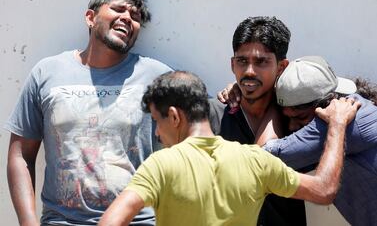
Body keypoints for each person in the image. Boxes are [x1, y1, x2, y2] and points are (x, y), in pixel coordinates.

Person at [98, 70, 359, 226]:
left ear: (175, 117)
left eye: (157, 121)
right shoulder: (256, 160)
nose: (156, 132)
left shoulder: (161, 164)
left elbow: (111, 221)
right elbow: (324, 190)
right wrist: (336, 126)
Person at [5, 0, 171, 225]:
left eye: (135, 17)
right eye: (118, 9)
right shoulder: (47, 73)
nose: (127, 18)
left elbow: (199, 123)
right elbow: (21, 155)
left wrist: (233, 94)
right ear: (90, 18)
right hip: (62, 221)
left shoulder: (156, 76)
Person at [219, 55, 377, 226]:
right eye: (287, 118)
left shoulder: (343, 119)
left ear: (326, 103)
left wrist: (263, 100)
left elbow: (261, 158)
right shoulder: (347, 107)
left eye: (300, 117)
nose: (293, 126)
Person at [209, 16, 307, 226]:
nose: (249, 71)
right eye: (242, 61)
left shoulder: (298, 119)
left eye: (261, 61)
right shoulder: (212, 116)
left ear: (281, 67)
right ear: (232, 64)